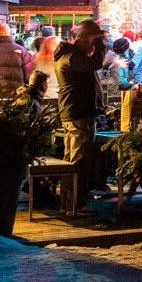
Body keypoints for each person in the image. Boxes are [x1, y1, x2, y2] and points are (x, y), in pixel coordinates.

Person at [55, 20, 107, 212]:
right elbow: (95, 64)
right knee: (79, 162)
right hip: (79, 114)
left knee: (72, 161)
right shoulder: (72, 56)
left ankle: (69, 204)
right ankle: (76, 205)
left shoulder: (69, 55)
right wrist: (101, 46)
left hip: (75, 113)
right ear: (85, 38)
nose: (95, 45)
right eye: (94, 40)